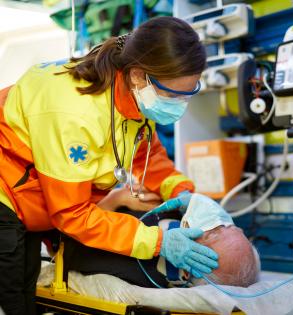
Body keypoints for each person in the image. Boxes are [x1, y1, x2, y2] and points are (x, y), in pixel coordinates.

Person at [0, 16, 219, 315]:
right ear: (139, 75)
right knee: (12, 297)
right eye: (172, 95)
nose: (178, 106)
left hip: (33, 194)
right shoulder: (75, 112)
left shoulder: (138, 99)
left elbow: (148, 156)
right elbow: (72, 214)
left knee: (25, 286)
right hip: (5, 187)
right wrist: (158, 242)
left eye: (188, 94)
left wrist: (183, 194)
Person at [62, 188, 260, 289]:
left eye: (214, 232)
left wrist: (115, 199)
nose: (218, 221)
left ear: (185, 273)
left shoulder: (134, 270)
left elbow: (70, 233)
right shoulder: (180, 216)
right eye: (232, 226)